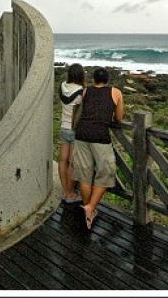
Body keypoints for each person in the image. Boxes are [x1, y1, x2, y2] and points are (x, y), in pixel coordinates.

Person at [72, 67, 124, 230]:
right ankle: (90, 208)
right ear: (107, 80)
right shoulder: (116, 92)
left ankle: (88, 210)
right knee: (106, 172)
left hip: (81, 134)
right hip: (100, 136)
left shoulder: (86, 91)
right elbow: (119, 118)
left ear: (93, 80)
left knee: (85, 173)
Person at [58, 63, 85, 204]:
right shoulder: (81, 91)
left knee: (63, 160)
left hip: (63, 127)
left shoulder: (62, 86)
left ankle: (64, 191)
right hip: (75, 129)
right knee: (72, 163)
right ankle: (70, 193)